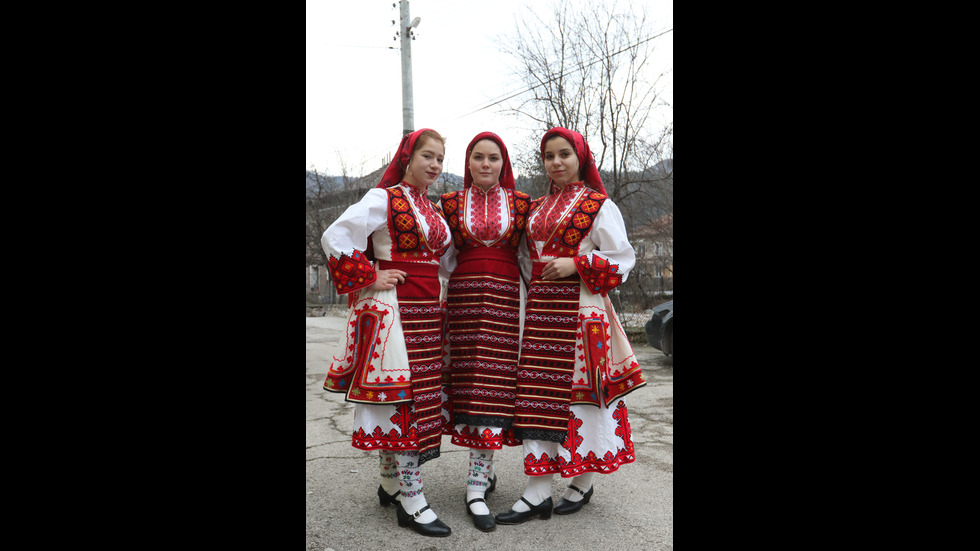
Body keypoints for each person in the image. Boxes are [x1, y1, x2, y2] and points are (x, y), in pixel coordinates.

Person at [494, 126, 647, 525]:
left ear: (580, 158)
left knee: (581, 398)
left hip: (582, 313)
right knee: (538, 396)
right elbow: (527, 262)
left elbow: (623, 260)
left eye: (564, 154)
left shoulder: (599, 204)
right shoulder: (539, 206)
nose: (557, 162)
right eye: (549, 156)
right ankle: (538, 488)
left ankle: (582, 478)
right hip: (542, 313)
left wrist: (577, 265)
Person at [320, 128, 454, 538]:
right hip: (396, 310)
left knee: (413, 397)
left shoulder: (430, 209)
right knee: (405, 401)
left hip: (427, 311)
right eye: (427, 156)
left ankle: (389, 483)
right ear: (407, 157)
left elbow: (445, 261)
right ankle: (412, 502)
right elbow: (335, 236)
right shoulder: (385, 198)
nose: (433, 165)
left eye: (439, 160)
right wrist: (370, 274)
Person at [438, 132, 531, 532]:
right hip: (462, 303)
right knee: (468, 388)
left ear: (503, 163)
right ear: (468, 162)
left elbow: (529, 258)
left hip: (508, 302)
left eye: (494, 158)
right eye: (479, 157)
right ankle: (479, 480)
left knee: (494, 389)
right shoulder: (449, 204)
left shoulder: (523, 204)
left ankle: (478, 483)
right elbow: (443, 258)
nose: (486, 164)